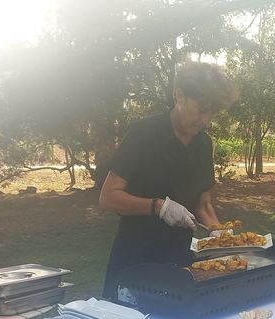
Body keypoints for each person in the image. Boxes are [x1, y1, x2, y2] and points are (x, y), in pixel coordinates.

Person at [99, 61, 238, 301]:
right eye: (201, 109)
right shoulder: (143, 134)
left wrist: (221, 236)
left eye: (212, 113)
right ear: (179, 95)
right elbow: (108, 197)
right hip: (135, 259)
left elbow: (202, 203)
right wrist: (159, 207)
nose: (205, 120)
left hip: (180, 259)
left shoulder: (203, 145)